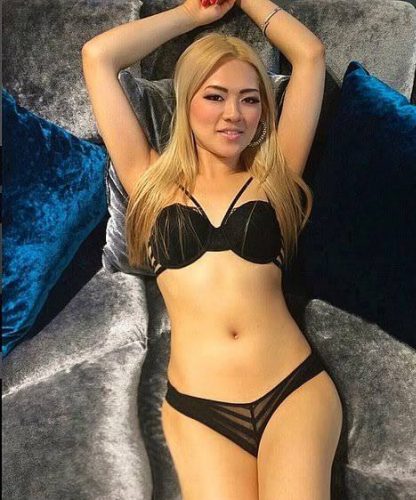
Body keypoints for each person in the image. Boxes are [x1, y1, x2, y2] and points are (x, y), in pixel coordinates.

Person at [82, 0, 343, 497]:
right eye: (215, 96)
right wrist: (194, 13)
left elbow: (309, 55)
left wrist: (250, 1)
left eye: (250, 99)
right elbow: (98, 56)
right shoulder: (149, 181)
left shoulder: (275, 176)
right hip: (200, 410)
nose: (233, 114)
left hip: (293, 389)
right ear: (187, 103)